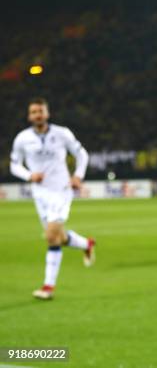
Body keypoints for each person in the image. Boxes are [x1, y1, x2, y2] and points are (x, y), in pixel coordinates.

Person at [10, 98, 95, 300]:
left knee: (50, 236)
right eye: (33, 112)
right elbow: (14, 165)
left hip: (61, 190)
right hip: (40, 193)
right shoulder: (22, 139)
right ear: (29, 116)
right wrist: (29, 176)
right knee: (58, 236)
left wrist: (78, 176)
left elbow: (82, 154)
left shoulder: (62, 133)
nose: (37, 115)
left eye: (40, 111)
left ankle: (48, 287)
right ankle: (86, 244)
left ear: (47, 113)